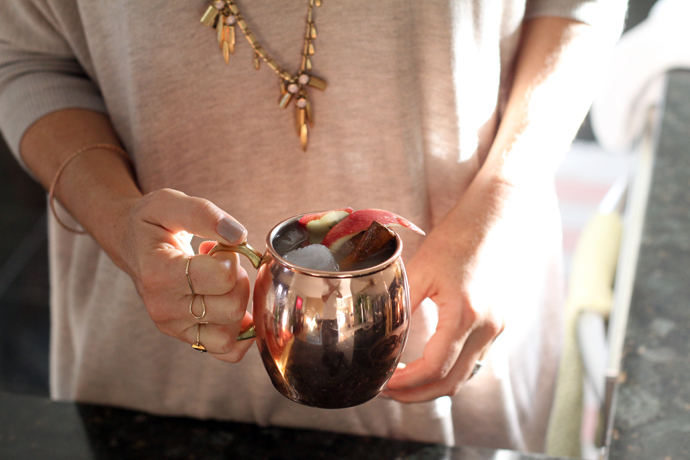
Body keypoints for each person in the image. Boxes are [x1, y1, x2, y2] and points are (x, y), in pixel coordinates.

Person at [0, 0, 627, 452]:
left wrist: (502, 198)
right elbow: (22, 55)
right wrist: (115, 218)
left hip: (456, 349)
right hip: (153, 371)